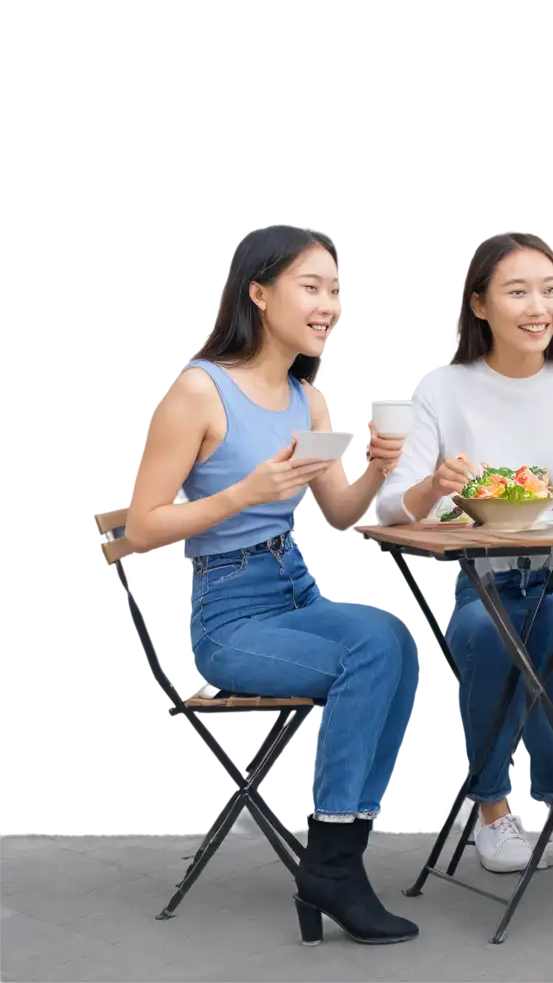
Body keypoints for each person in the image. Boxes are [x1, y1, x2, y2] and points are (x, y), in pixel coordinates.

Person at [124, 223, 420, 946]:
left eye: (336, 291)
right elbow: (139, 528)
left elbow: (344, 513)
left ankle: (335, 859)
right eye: (312, 287)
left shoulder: (305, 400)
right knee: (371, 649)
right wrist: (244, 492)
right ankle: (334, 868)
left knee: (396, 642)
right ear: (259, 293)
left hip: (296, 591)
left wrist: (378, 466)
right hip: (228, 617)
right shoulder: (198, 391)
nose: (330, 305)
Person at [375, 225, 553, 873]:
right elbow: (390, 504)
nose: (538, 307)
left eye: (549, 290)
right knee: (484, 638)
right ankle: (493, 812)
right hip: (486, 576)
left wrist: (545, 524)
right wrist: (432, 487)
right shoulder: (441, 388)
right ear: (480, 304)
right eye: (517, 291)